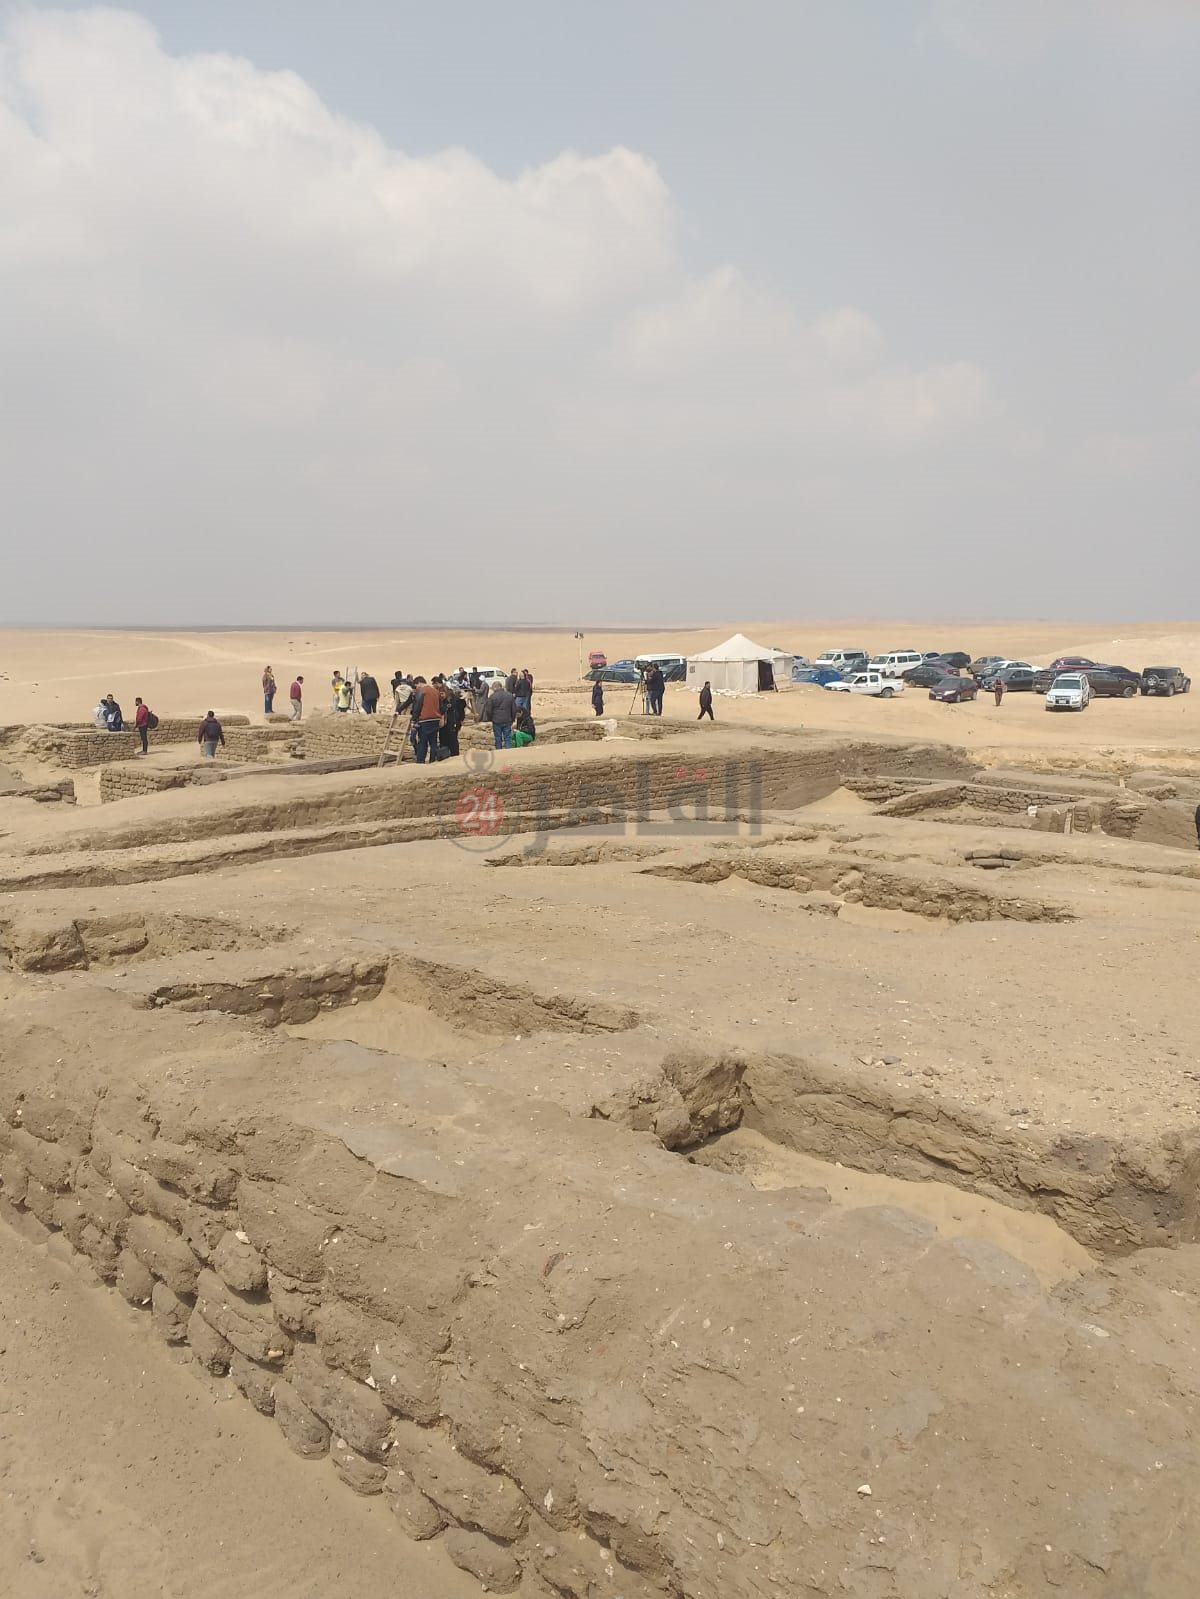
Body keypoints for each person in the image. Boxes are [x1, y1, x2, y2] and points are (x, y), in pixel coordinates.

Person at [410, 676, 443, 764]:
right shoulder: (436, 691)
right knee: (433, 742)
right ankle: (433, 761)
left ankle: (420, 761)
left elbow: (417, 706)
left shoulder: (422, 691)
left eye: (416, 686)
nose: (416, 688)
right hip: (435, 719)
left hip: (425, 720)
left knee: (423, 742)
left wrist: (413, 720)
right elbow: (441, 706)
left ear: (419, 683)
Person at [437, 676, 464, 758]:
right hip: (443, 726)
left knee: (453, 742)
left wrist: (460, 720)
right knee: (443, 742)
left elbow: (461, 709)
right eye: (440, 694)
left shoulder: (454, 700)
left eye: (442, 694)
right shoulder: (441, 701)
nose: (441, 695)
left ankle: (454, 758)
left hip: (452, 724)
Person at [487, 678, 516, 749]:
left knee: (498, 738)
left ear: (495, 687)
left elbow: (488, 710)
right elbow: (514, 709)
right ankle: (508, 752)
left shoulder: (492, 697)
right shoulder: (509, 695)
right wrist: (512, 719)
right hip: (507, 719)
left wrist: (491, 718)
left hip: (496, 720)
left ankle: (499, 752)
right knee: (508, 738)